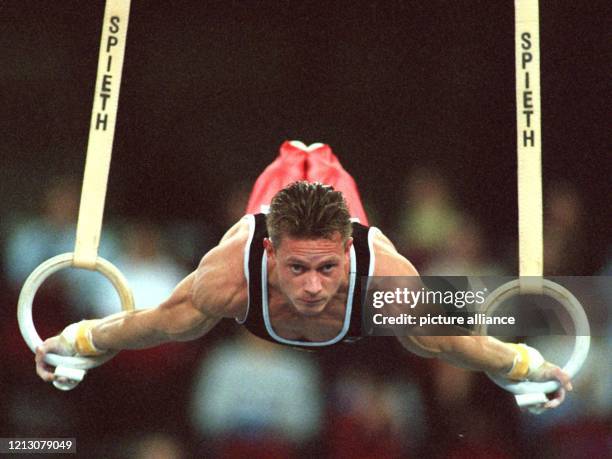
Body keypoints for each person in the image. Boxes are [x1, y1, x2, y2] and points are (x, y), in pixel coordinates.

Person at [35, 140, 572, 411]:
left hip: (345, 211)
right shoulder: (230, 277)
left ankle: (316, 162)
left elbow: (465, 341)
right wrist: (80, 337)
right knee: (290, 163)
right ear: (269, 253)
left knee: (435, 336)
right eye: (296, 267)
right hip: (268, 207)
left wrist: (526, 365)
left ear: (347, 249)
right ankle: (297, 158)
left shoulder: (387, 280)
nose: (313, 286)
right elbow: (150, 323)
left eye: (327, 267)